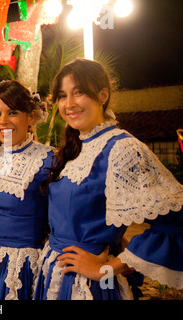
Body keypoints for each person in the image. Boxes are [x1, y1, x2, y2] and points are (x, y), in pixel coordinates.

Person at [33, 58, 183, 300]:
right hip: (54, 272)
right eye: (62, 96)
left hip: (88, 285)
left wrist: (106, 268)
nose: (68, 104)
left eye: (78, 92)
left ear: (103, 95)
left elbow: (175, 224)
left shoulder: (123, 148)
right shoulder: (75, 147)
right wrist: (114, 237)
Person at [0, 80, 54, 300]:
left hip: (22, 266)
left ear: (31, 116)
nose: (2, 121)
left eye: (12, 112)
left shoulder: (50, 159)